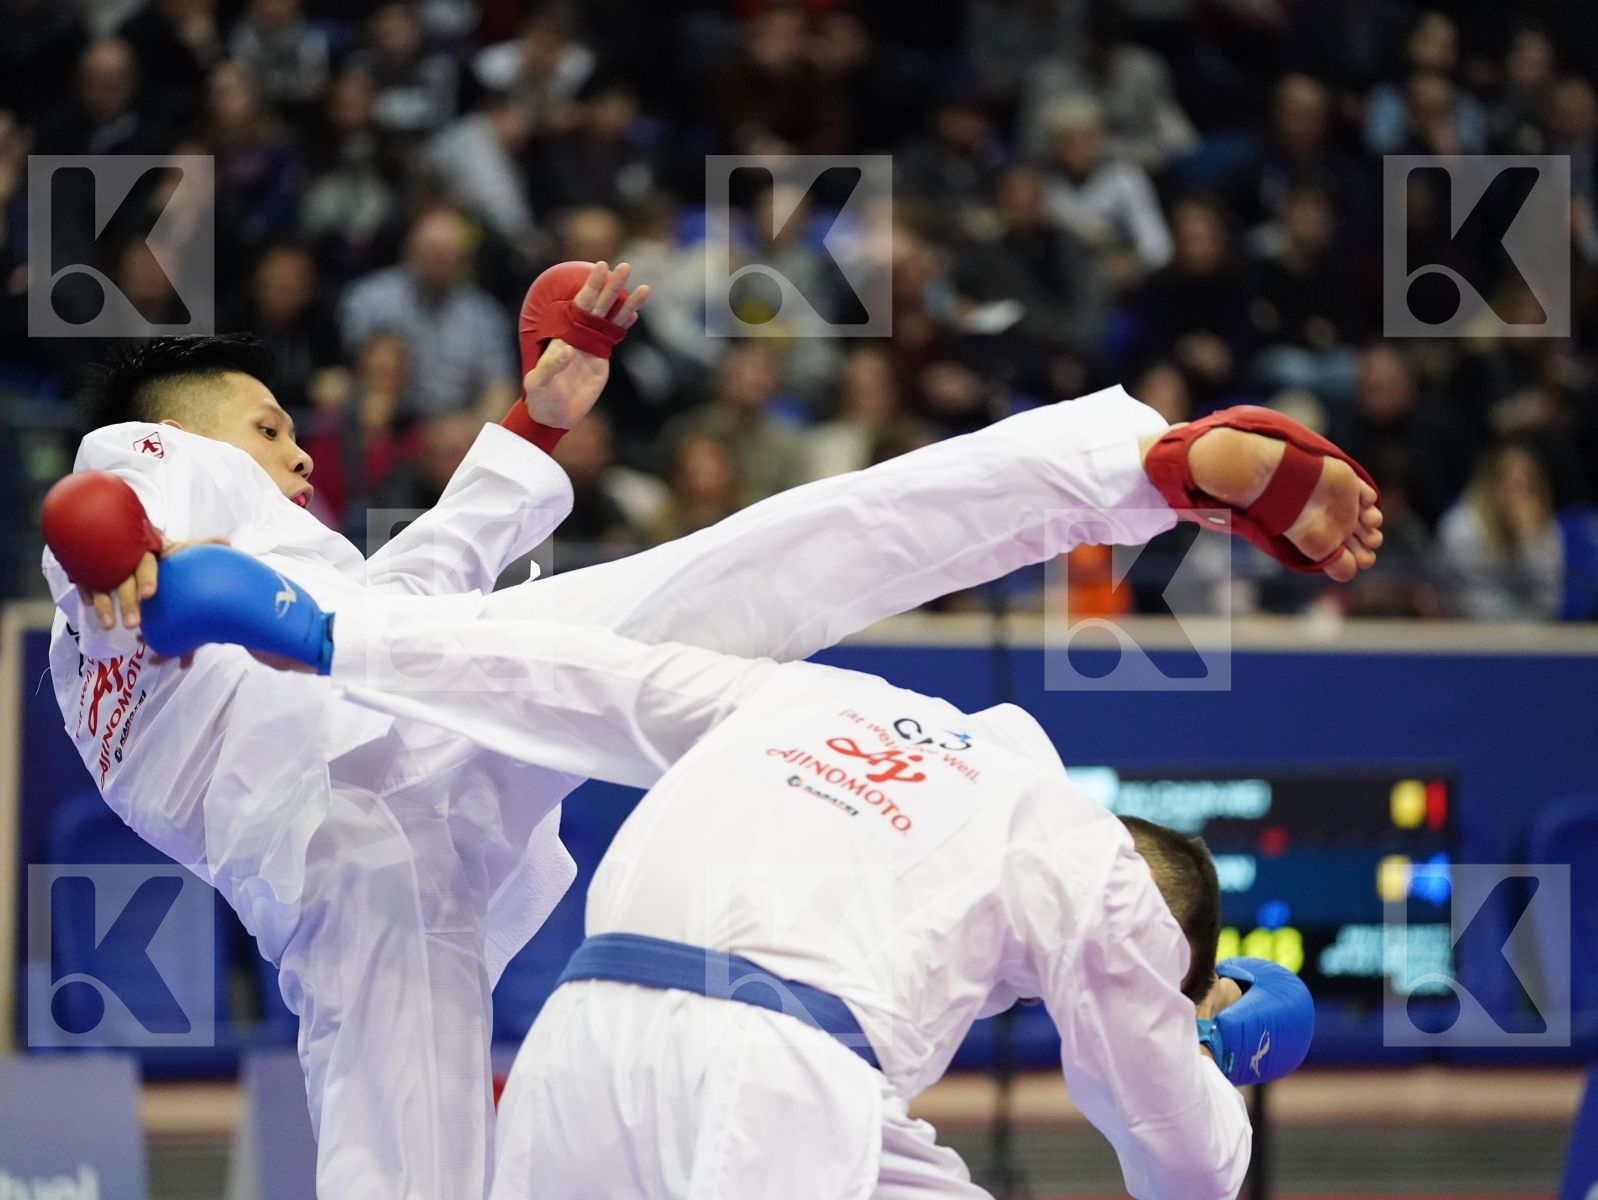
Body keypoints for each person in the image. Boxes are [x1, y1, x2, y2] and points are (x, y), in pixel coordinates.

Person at [131, 403, 1372, 1200]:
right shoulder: (1077, 860)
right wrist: (1207, 1047)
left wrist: (314, 627)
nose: (297, 452)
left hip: (581, 1038)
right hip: (771, 1066)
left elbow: (547, 664)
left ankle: (1143, 467)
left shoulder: (811, 704)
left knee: (726, 579)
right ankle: (1136, 471)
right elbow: (1176, 1158)